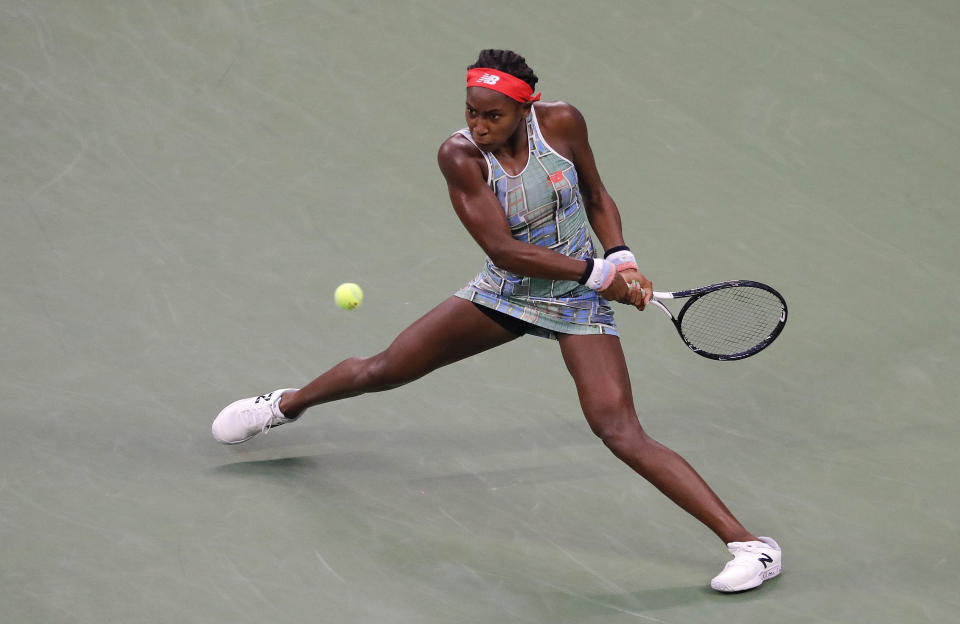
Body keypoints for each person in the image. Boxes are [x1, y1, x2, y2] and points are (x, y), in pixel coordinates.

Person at [212, 49, 781, 593]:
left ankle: (751, 546)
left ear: (526, 109)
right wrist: (598, 271)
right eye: (471, 112)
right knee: (385, 369)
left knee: (618, 429)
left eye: (493, 115)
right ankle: (284, 406)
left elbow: (596, 192)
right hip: (507, 292)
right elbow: (504, 250)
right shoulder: (458, 156)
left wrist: (622, 255)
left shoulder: (562, 124)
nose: (478, 126)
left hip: (577, 303)